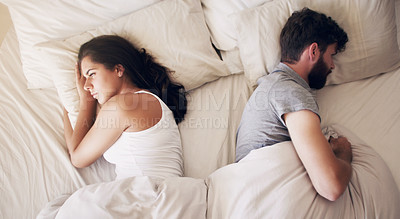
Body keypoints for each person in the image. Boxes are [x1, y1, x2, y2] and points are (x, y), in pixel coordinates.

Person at [236, 8, 351, 201]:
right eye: (331, 55)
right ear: (313, 51)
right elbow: (331, 186)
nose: (332, 66)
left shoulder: (271, 87)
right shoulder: (290, 91)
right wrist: (344, 155)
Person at [63, 35, 187, 180]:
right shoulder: (145, 100)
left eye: (92, 74)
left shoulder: (121, 106)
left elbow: (78, 159)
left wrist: (81, 102)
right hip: (159, 192)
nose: (86, 86)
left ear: (118, 69)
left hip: (147, 195)